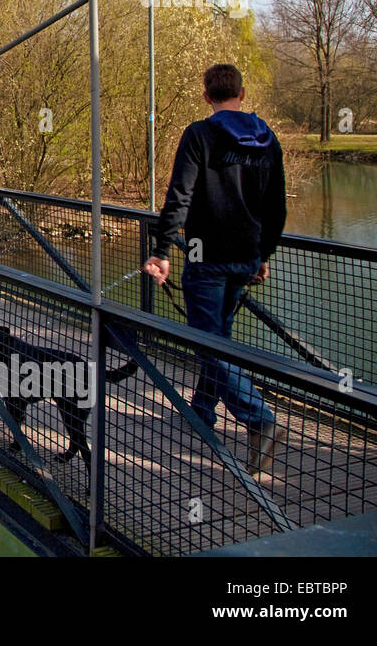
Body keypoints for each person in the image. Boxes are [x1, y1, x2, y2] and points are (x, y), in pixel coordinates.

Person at [142, 64, 288, 480]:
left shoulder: (199, 136)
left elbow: (179, 197)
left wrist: (161, 250)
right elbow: (276, 207)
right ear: (243, 93)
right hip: (245, 258)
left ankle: (259, 419)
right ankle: (203, 409)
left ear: (207, 96)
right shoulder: (267, 140)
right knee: (217, 338)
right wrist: (263, 255)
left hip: (206, 259)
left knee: (208, 343)